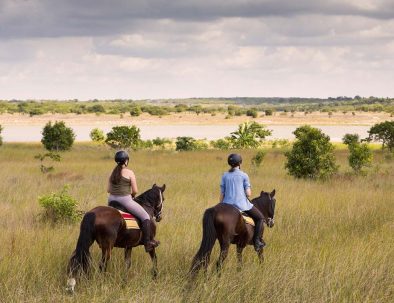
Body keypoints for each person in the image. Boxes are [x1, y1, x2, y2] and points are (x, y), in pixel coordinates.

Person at [107, 150, 159, 252]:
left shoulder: (112, 173)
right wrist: (132, 196)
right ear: (126, 161)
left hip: (111, 200)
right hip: (125, 200)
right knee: (145, 217)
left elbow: (108, 190)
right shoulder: (129, 172)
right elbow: (135, 190)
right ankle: (148, 243)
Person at [220, 153, 265, 251]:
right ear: (240, 163)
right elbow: (248, 194)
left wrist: (221, 206)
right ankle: (257, 242)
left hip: (227, 206)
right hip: (242, 205)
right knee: (260, 218)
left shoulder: (224, 175)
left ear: (229, 164)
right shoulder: (244, 175)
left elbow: (222, 194)